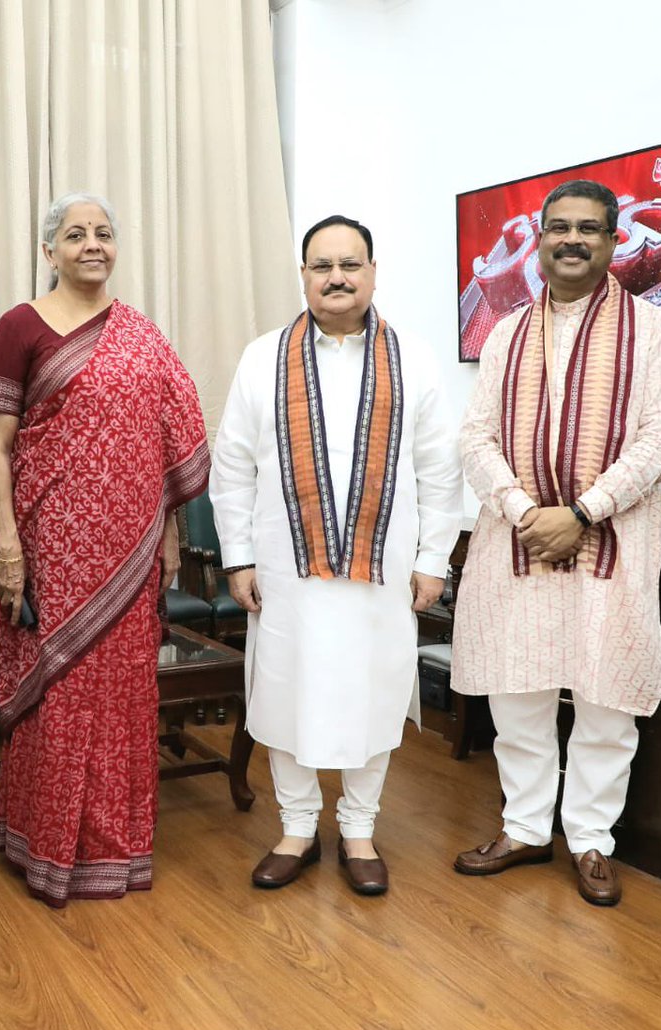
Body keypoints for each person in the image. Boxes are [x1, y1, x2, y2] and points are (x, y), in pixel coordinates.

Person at [210, 215, 463, 895]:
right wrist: (237, 557)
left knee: (373, 694)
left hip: (383, 572)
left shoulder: (413, 355)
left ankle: (358, 828)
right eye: (321, 266)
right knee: (287, 693)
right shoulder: (263, 356)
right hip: (285, 572)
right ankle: (296, 827)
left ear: (373, 272)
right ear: (303, 277)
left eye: (349, 264)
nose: (337, 277)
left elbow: (441, 468)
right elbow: (232, 466)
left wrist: (434, 558)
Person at [450, 179, 661, 906]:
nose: (572, 239)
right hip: (518, 539)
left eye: (589, 228)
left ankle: (590, 838)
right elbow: (475, 437)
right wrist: (528, 511)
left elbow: (660, 442)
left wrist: (580, 512)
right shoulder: (505, 333)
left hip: (609, 539)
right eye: (559, 227)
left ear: (615, 242)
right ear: (540, 239)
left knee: (605, 698)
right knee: (518, 692)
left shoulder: (651, 329)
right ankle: (525, 828)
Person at [0, 193, 209, 908]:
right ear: (49, 250)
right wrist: (11, 550)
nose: (92, 245)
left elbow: (166, 444)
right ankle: (45, 845)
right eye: (75, 234)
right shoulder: (19, 326)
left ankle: (116, 847)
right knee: (59, 693)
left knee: (123, 698)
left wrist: (168, 534)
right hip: (48, 544)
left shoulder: (140, 332)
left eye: (104, 233)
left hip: (132, 550)